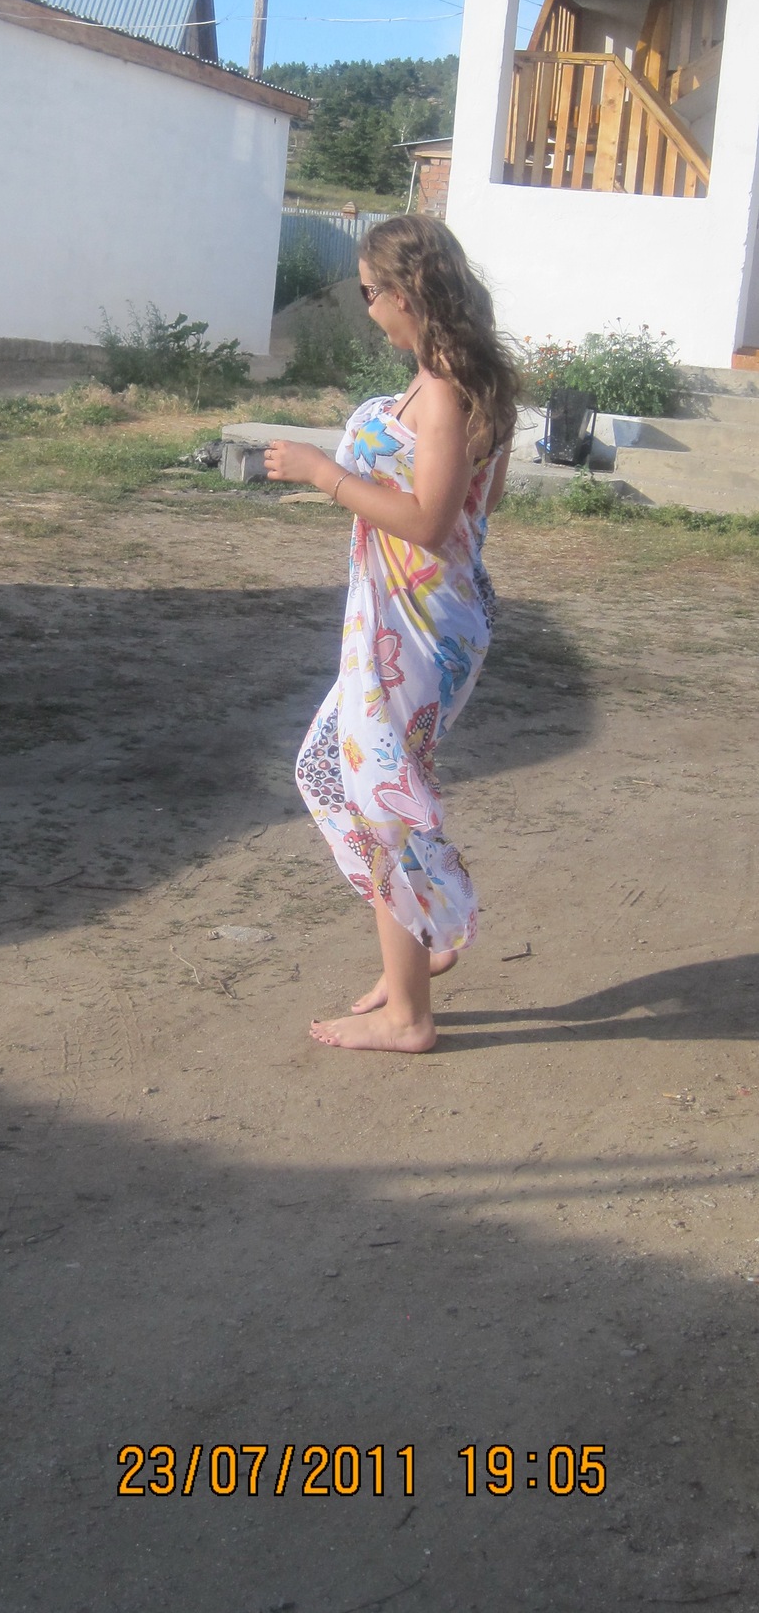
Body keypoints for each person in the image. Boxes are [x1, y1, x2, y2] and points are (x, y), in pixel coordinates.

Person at [263, 214, 520, 1055]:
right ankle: (418, 933)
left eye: (371, 292)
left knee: (382, 804)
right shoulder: (452, 381)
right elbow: (470, 508)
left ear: (407, 293)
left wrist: (324, 475)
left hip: (420, 628)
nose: (368, 307)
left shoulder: (445, 393)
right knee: (327, 771)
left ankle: (410, 1011)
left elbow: (433, 525)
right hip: (400, 621)